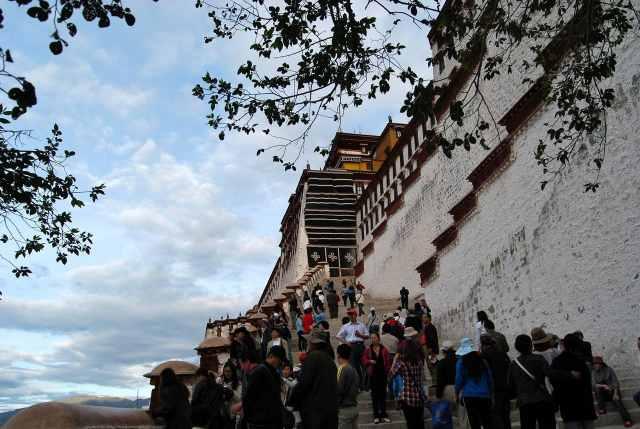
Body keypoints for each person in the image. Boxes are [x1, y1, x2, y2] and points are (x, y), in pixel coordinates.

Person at [289, 328, 339, 429]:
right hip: (330, 413)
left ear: (313, 343)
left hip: (316, 414)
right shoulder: (330, 360)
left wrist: (291, 402)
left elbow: (303, 384)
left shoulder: (313, 357)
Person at [508, 334, 555, 429]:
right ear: (531, 345)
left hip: (525, 402)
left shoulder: (513, 364)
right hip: (542, 399)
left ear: (517, 348)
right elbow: (551, 374)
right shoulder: (539, 359)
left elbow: (511, 385)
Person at [550, 333, 597, 429]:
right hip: (585, 405)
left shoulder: (557, 362)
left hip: (568, 406)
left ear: (564, 345)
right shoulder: (583, 361)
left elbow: (554, 381)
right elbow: (588, 383)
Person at [242, 345, 286, 429]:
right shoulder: (259, 371)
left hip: (272, 420)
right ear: (272, 356)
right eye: (279, 360)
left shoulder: (273, 372)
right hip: (262, 422)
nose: (281, 363)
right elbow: (249, 397)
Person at [455, 337, 492, 429]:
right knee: (487, 422)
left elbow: (459, 380)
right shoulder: (483, 361)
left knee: (474, 423)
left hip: (469, 396)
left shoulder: (461, 362)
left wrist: (457, 393)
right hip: (484, 395)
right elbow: (490, 379)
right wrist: (491, 393)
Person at [389, 338, 426, 429]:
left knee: (410, 423)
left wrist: (395, 361)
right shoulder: (419, 362)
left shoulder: (402, 363)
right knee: (419, 422)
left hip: (407, 397)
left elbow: (390, 375)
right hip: (419, 396)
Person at [480, 334, 512, 429]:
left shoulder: (484, 356)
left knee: (496, 414)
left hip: (494, 389)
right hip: (506, 387)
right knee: (505, 414)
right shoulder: (503, 354)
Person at [592, 355, 633, 427]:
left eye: (598, 363)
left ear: (601, 364)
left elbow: (616, 382)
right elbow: (593, 384)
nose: (596, 365)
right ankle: (601, 409)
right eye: (595, 364)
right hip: (602, 394)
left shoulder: (609, 369)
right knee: (597, 389)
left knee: (618, 402)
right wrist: (603, 386)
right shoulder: (593, 372)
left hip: (612, 391)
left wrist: (615, 393)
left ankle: (627, 420)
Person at [337, 307, 369, 390]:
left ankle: (364, 384)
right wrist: (346, 342)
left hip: (361, 346)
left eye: (352, 314)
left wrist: (360, 335)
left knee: (364, 365)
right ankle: (357, 385)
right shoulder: (345, 326)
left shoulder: (361, 325)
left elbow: (367, 336)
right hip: (351, 346)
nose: (351, 316)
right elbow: (338, 336)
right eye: (349, 314)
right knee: (354, 367)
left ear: (356, 315)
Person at [362, 332, 391, 424]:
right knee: (374, 395)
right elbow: (364, 359)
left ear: (378, 338)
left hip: (382, 375)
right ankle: (376, 415)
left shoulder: (384, 349)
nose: (373, 339)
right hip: (373, 375)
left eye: (374, 337)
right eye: (371, 338)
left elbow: (388, 361)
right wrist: (369, 361)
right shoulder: (368, 350)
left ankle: (384, 414)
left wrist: (387, 372)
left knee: (382, 394)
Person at [337, 344, 360, 429]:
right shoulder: (353, 369)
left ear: (338, 354)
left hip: (344, 409)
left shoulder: (342, 369)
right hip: (354, 406)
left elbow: (339, 390)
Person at [218, 362, 242, 429]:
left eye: (229, 371)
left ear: (233, 372)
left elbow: (239, 399)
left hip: (232, 414)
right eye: (225, 371)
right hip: (221, 413)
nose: (227, 373)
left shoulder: (238, 383)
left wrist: (231, 391)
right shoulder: (220, 381)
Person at [435, 341, 457, 405]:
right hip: (458, 390)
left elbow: (440, 381)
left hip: (447, 390)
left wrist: (438, 395)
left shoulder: (441, 363)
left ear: (443, 352)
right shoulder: (459, 361)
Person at [422, 314, 439, 379]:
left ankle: (435, 380)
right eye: (423, 317)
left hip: (431, 351)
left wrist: (431, 350)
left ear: (429, 318)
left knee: (433, 366)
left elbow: (432, 340)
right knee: (431, 366)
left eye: (425, 317)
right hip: (430, 351)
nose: (423, 319)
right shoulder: (427, 327)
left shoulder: (430, 327)